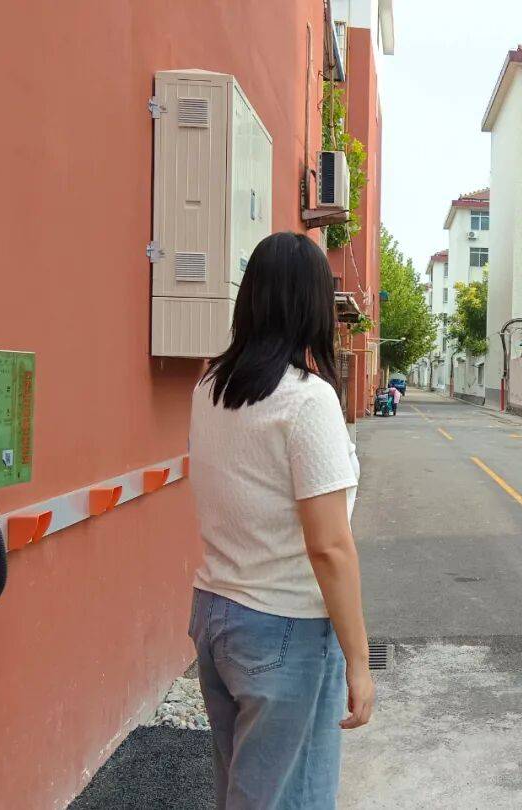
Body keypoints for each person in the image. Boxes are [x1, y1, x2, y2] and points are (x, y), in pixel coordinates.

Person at [188, 232, 375, 810]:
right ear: (312, 307)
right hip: (284, 623)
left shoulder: (210, 387)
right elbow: (329, 547)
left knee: (244, 791)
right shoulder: (307, 400)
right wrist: (360, 661)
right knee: (290, 798)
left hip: (216, 610)